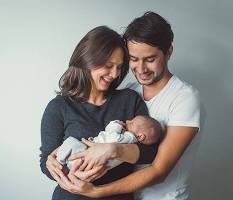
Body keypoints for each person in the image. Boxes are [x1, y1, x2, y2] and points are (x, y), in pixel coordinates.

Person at [55, 11, 201, 200]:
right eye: (133, 59)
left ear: (168, 52)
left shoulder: (185, 98)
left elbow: (159, 169)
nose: (141, 69)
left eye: (150, 59)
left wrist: (96, 191)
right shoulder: (130, 92)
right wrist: (55, 160)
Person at [40, 26, 159, 200]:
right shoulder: (58, 107)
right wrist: (62, 171)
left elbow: (151, 152)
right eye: (109, 65)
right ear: (87, 60)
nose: (114, 74)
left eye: (119, 67)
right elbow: (46, 160)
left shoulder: (129, 100)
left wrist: (113, 149)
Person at [57, 115, 162, 170]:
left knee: (70, 141)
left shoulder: (129, 138)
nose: (128, 121)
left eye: (132, 123)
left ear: (140, 136)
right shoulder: (128, 139)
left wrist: (116, 124)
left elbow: (111, 138)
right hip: (85, 162)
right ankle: (61, 164)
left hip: (85, 159)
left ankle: (59, 163)